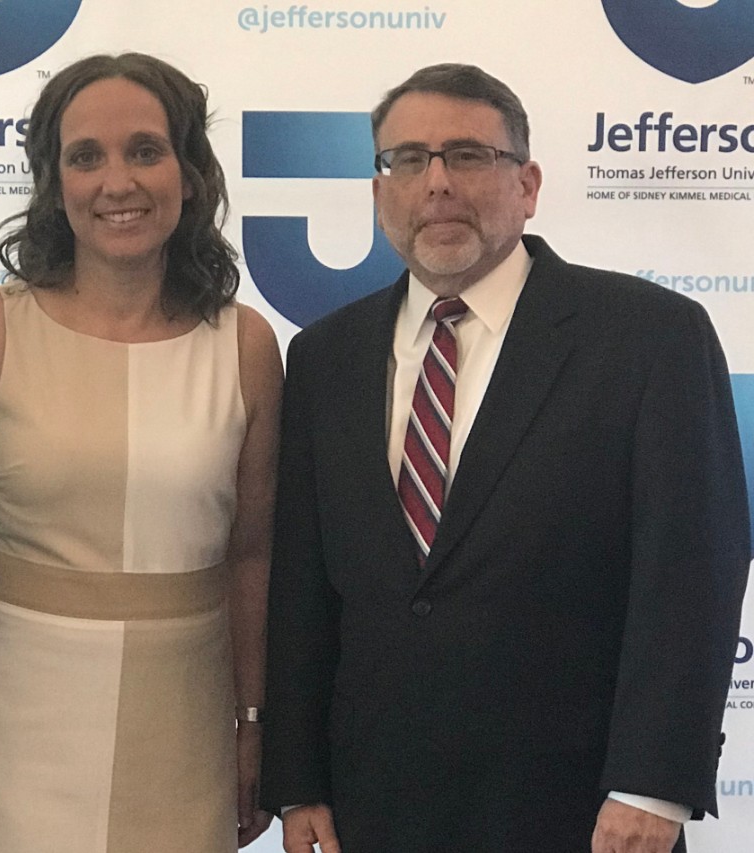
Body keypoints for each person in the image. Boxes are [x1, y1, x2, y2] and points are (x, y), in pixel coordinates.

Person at [261, 63, 750, 853]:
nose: (438, 183)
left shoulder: (650, 337)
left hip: (585, 813)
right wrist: (297, 779)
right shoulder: (324, 356)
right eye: (408, 160)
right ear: (380, 191)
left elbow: (692, 573)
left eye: (469, 156)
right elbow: (304, 587)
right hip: (374, 806)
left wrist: (651, 785)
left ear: (527, 184)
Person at [0, 53, 282, 852]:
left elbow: (251, 557)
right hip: (8, 728)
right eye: (86, 157)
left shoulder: (246, 346)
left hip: (184, 728)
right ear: (55, 182)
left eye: (145, 150)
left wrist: (253, 723)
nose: (118, 181)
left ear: (189, 172)